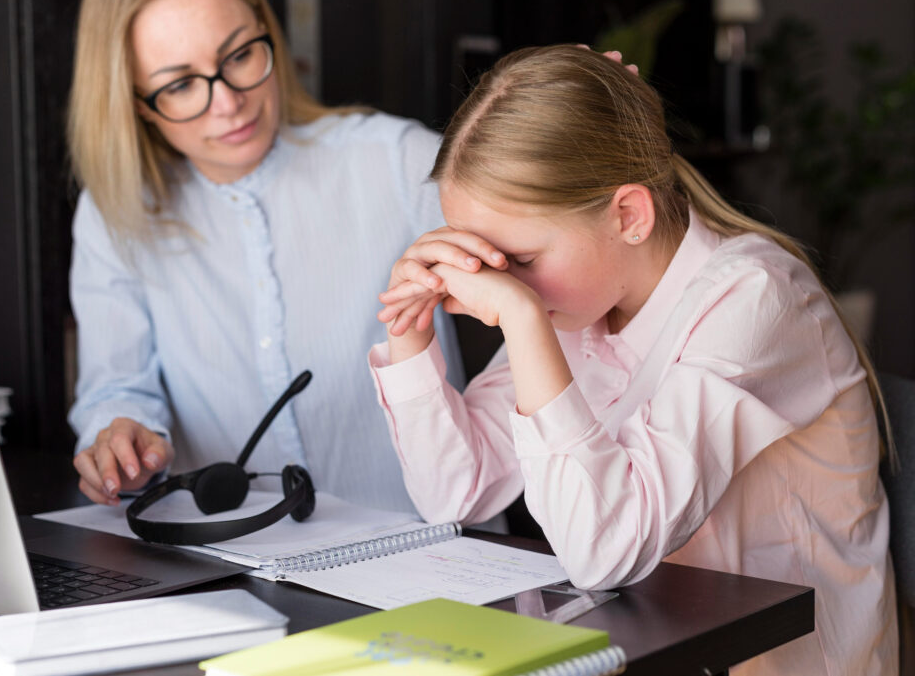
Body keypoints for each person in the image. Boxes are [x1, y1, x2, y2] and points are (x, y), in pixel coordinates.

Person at [370, 44, 898, 674]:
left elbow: (605, 548)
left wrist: (522, 318)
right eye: (482, 257)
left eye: (522, 261)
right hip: (650, 647)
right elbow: (458, 493)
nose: (497, 283)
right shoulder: (580, 306)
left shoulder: (755, 299)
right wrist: (411, 330)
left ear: (628, 215)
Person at [66, 0, 462, 514]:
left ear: (267, 30)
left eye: (241, 54)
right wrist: (120, 436)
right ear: (136, 105)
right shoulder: (113, 214)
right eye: (179, 86)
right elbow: (118, 386)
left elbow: (561, 276)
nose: (227, 103)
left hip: (432, 555)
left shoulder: (396, 161)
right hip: (233, 566)